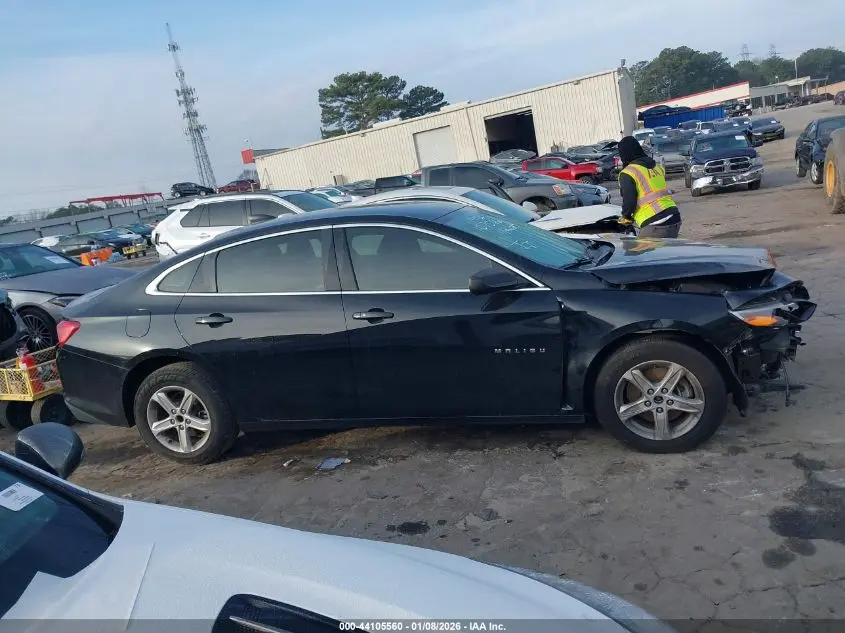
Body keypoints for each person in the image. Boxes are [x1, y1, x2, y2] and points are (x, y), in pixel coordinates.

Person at [616, 135, 682, 238]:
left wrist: (626, 217)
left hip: (655, 221)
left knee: (637, 252)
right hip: (674, 216)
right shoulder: (656, 167)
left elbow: (629, 201)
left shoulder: (628, 172)